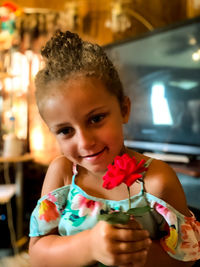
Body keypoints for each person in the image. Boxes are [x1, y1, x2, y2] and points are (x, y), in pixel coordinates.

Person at [29, 30, 200, 267]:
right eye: (66, 131)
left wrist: (131, 251)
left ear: (124, 110)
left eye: (96, 118)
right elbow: (38, 253)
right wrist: (90, 245)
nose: (85, 141)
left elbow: (186, 257)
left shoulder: (157, 181)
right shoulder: (63, 174)